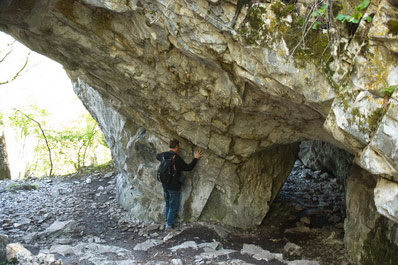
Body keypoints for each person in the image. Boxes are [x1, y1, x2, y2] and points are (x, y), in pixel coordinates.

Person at [156, 139, 202, 231]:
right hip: (173, 185)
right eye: (178, 147)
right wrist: (196, 158)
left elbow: (157, 156)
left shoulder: (163, 155)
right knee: (173, 205)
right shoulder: (176, 159)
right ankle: (169, 226)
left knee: (168, 203)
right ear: (176, 147)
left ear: (169, 146)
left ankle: (167, 221)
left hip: (165, 184)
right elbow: (189, 168)